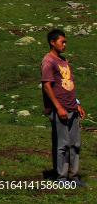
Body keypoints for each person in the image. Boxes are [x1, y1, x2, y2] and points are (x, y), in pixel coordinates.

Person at [42, 29, 85, 185]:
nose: (65, 44)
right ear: (52, 42)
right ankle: (61, 177)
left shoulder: (63, 61)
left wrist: (77, 104)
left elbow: (68, 85)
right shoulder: (49, 61)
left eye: (66, 42)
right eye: (63, 41)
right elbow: (47, 86)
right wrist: (58, 108)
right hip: (60, 108)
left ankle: (74, 176)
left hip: (72, 107)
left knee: (75, 144)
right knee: (63, 144)